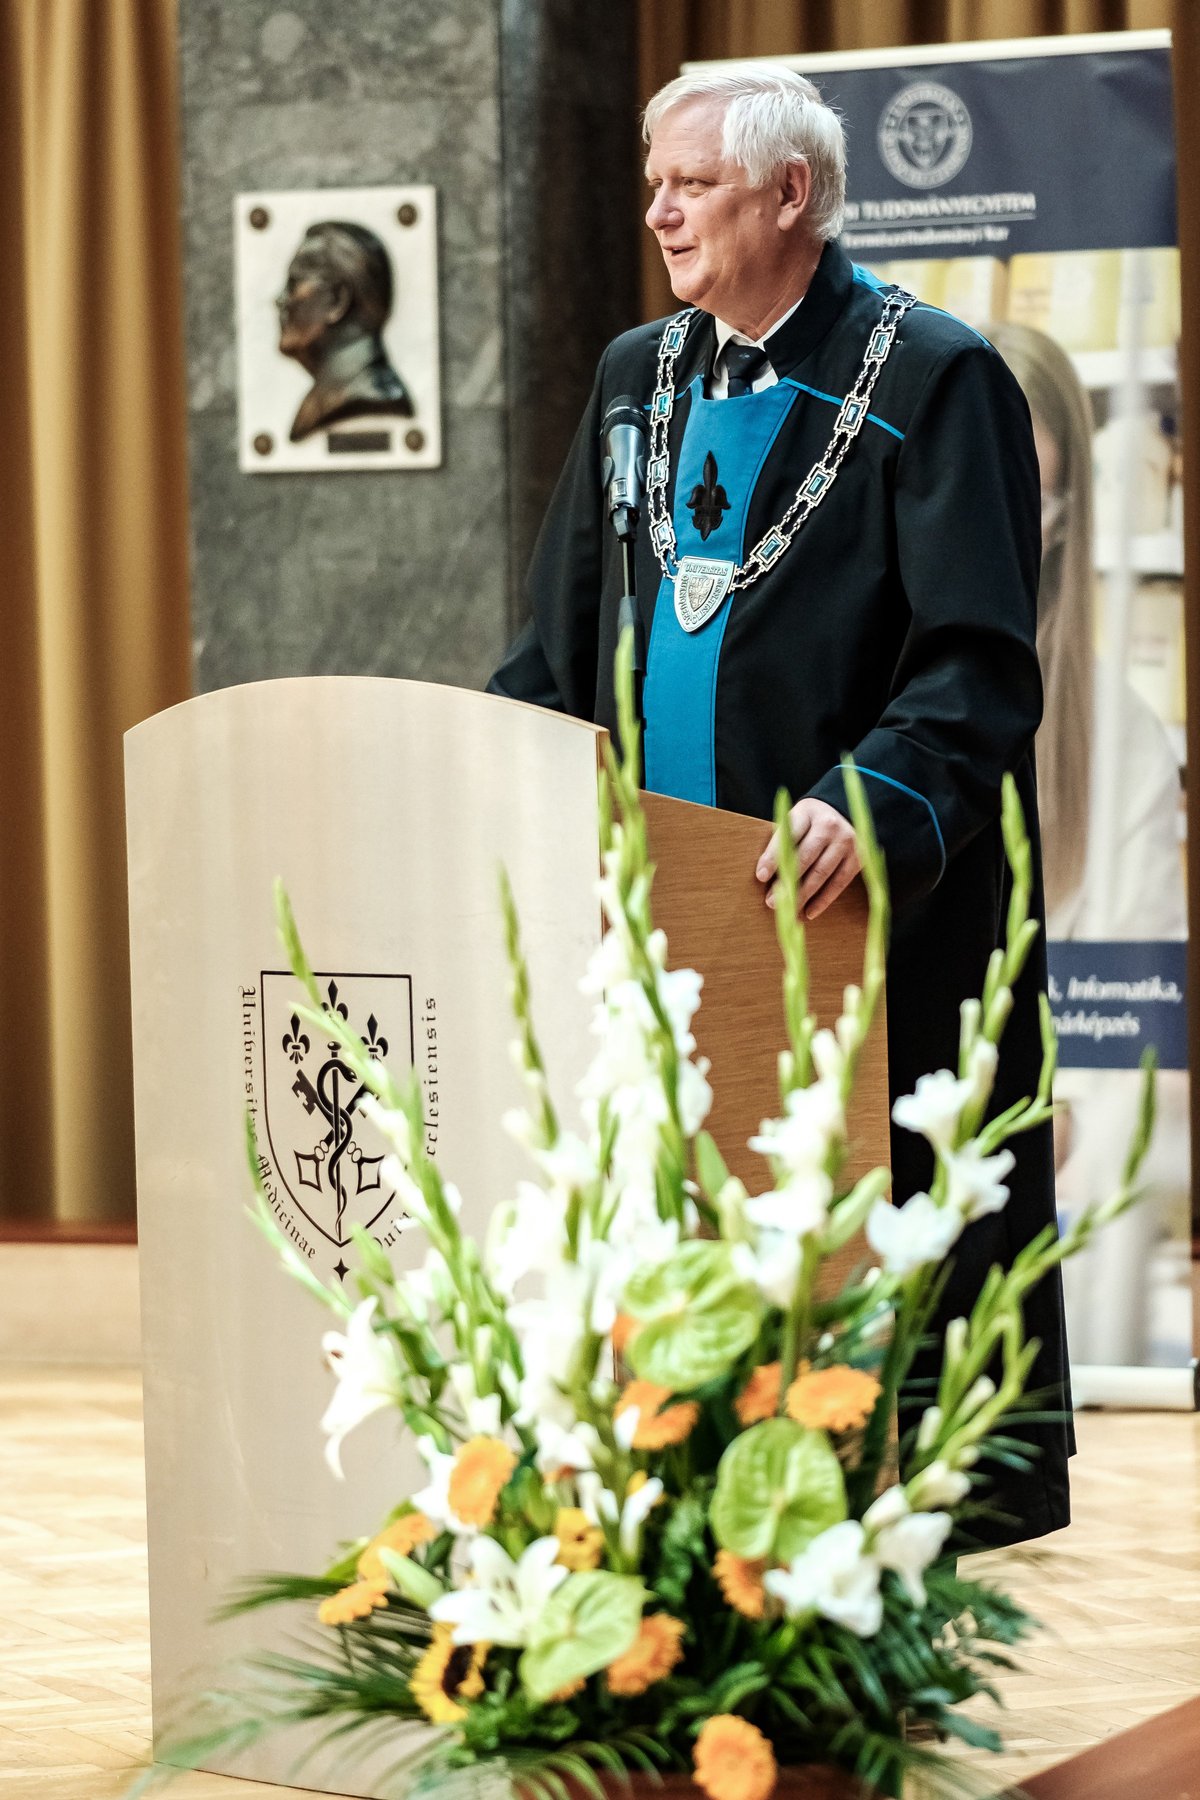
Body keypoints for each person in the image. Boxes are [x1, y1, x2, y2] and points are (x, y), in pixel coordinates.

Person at [490, 66, 1069, 1546]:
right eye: (655, 182)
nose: (658, 211)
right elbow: (561, 640)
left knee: (875, 1276)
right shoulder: (636, 377)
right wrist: (483, 764)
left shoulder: (936, 378)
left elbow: (978, 664)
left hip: (847, 913)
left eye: (692, 183)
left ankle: (890, 1546)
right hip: (656, 914)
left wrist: (871, 799)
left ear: (792, 193)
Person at [990, 320, 1189, 1370]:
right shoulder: (832, 701)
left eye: (1029, 495)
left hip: (1037, 1244)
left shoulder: (1118, 742)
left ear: (1065, 523)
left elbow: (1123, 1052)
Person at [276, 221, 414, 442]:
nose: (280, 300)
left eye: (293, 284)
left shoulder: (371, 396)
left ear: (337, 301)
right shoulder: (322, 400)